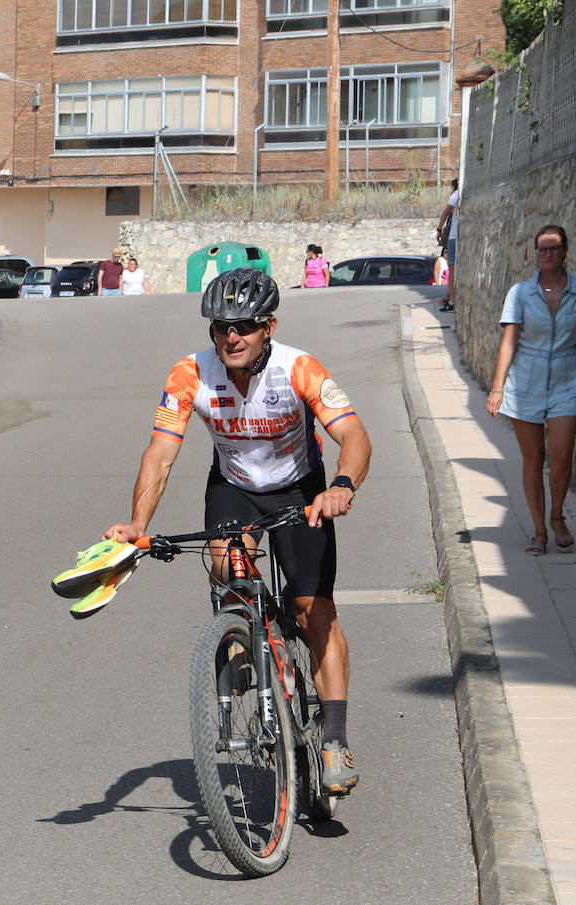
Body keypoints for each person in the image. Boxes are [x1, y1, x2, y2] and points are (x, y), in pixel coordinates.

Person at [104, 268, 371, 796]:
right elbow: (160, 454)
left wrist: (341, 485)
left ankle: (335, 741)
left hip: (301, 488)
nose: (231, 337)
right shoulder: (189, 375)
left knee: (313, 612)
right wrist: (138, 525)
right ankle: (242, 637)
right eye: (221, 326)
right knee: (228, 566)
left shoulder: (300, 369)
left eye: (245, 326)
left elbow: (354, 435)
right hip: (236, 486)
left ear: (268, 325)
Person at [486, 225, 576, 555]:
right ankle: (539, 531)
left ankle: (557, 515)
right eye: (542, 249)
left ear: (565, 251)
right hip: (525, 383)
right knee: (533, 460)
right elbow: (509, 341)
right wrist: (497, 388)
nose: (548, 253)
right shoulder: (520, 293)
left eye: (554, 248)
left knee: (562, 455)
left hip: (566, 379)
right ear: (535, 254)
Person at [436, 178, 459, 311]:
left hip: (454, 236)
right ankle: (450, 296)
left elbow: (446, 211)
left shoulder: (456, 194)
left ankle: (451, 300)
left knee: (452, 269)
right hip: (456, 235)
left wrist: (439, 229)